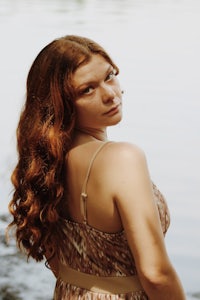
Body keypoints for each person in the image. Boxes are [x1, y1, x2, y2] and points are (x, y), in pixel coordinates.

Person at [8, 35, 186, 299]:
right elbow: (156, 274)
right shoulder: (123, 158)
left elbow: (59, 264)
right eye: (87, 90)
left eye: (110, 76)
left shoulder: (44, 165)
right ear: (61, 103)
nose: (110, 94)